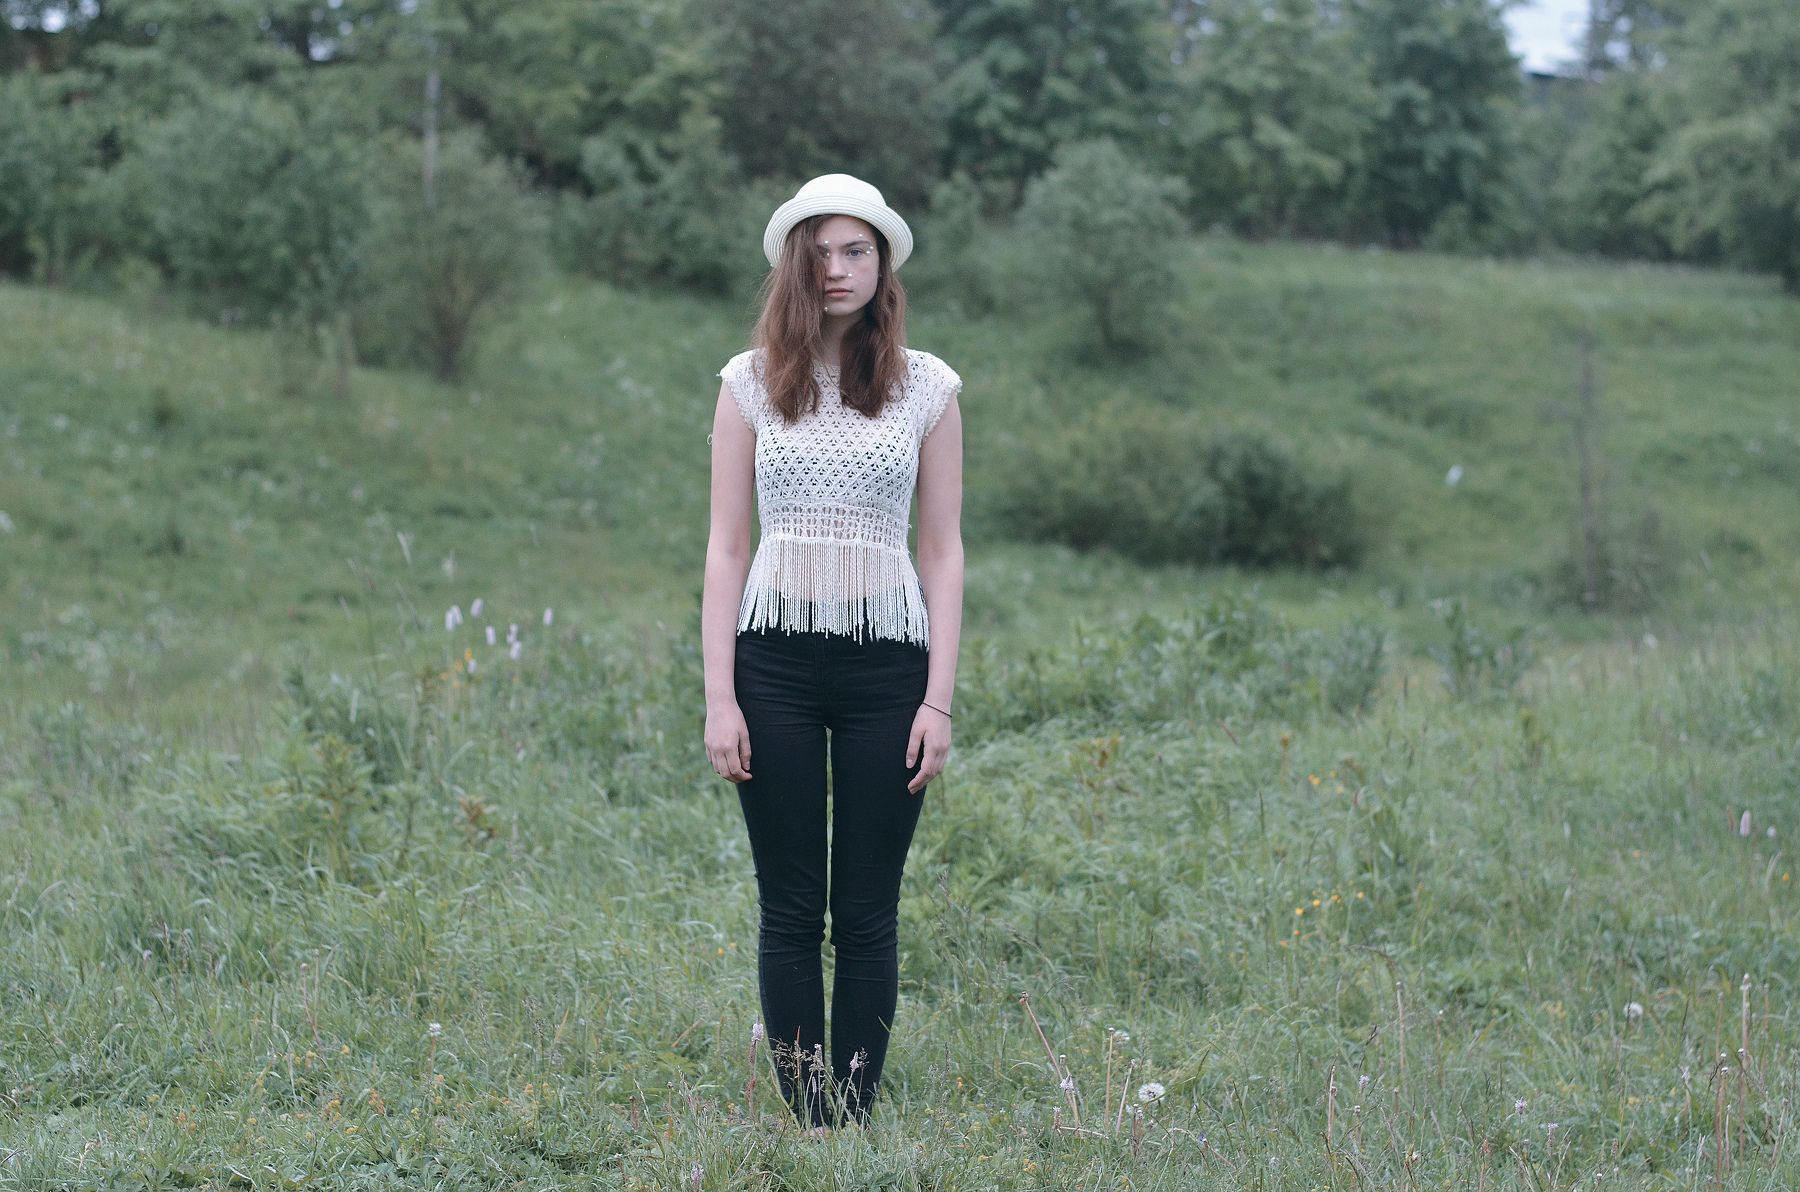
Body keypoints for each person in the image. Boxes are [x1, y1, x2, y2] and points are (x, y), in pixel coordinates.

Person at [701, 173, 964, 1127]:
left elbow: (943, 550)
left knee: (865, 911)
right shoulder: (747, 382)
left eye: (857, 251)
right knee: (788, 907)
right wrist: (719, 697)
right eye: (820, 254)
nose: (838, 269)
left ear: (883, 263)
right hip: (770, 663)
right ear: (793, 268)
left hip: (888, 668)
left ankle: (851, 1116)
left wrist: (937, 701)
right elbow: (726, 546)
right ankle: (807, 1117)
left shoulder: (928, 387)